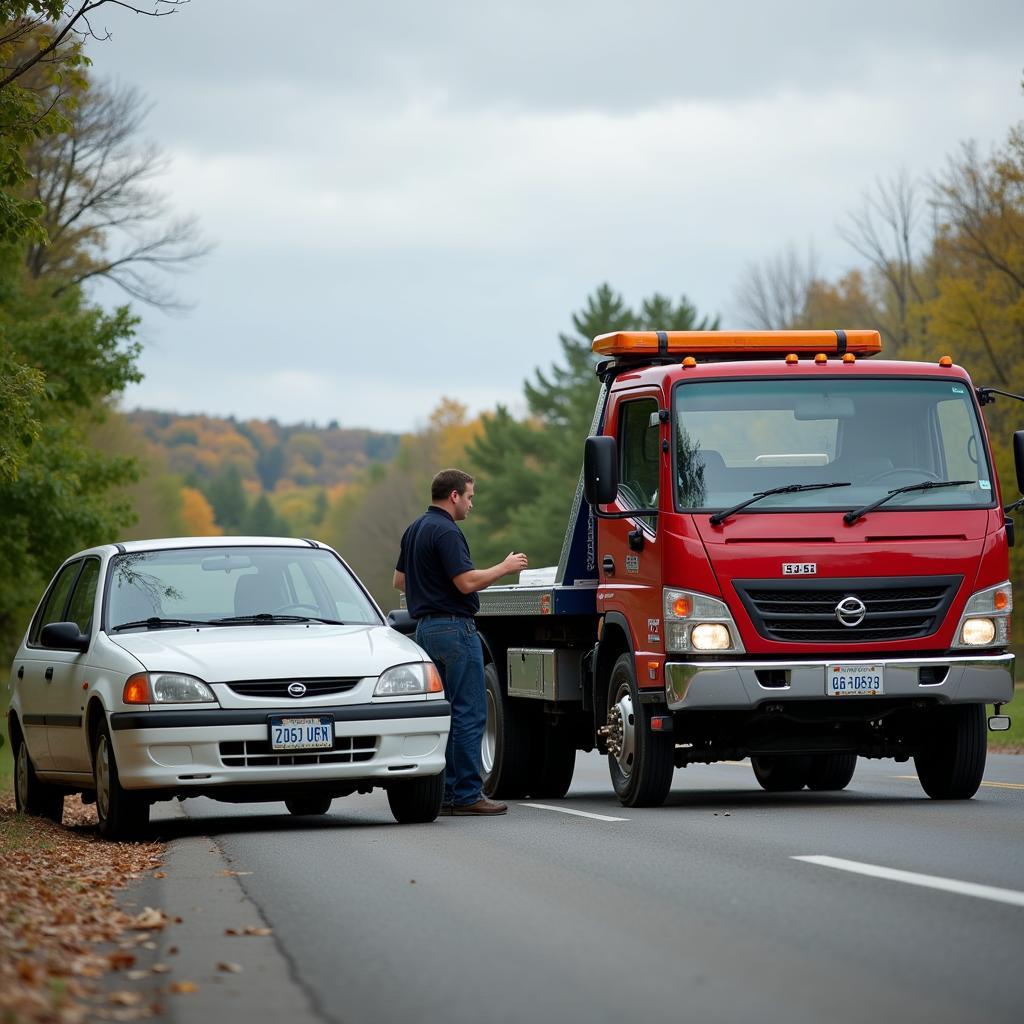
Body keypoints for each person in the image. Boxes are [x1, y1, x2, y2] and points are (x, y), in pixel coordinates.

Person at [393, 469, 527, 816]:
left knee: (444, 714)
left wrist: (430, 590)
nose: (471, 503)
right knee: (469, 712)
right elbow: (467, 583)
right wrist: (504, 566)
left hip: (424, 631)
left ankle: (447, 792)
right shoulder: (447, 531)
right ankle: (467, 793)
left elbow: (399, 581)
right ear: (453, 495)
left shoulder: (415, 529)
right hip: (455, 629)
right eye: (469, 496)